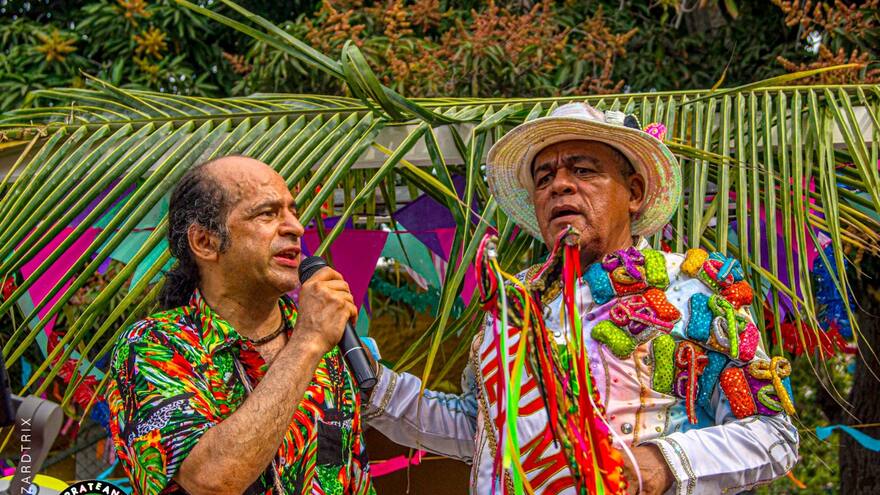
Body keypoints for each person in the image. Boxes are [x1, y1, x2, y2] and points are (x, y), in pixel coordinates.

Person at [363, 103, 799, 494]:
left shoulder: (690, 290)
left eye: (584, 171)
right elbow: (481, 430)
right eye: (545, 177)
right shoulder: (511, 307)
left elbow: (774, 434)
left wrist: (663, 463)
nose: (560, 187)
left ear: (634, 193)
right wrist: (379, 390)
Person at [105, 156, 375, 495]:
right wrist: (307, 342)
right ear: (205, 242)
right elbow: (212, 481)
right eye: (267, 213)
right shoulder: (153, 347)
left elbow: (351, 479)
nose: (296, 227)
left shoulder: (329, 349)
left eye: (292, 210)